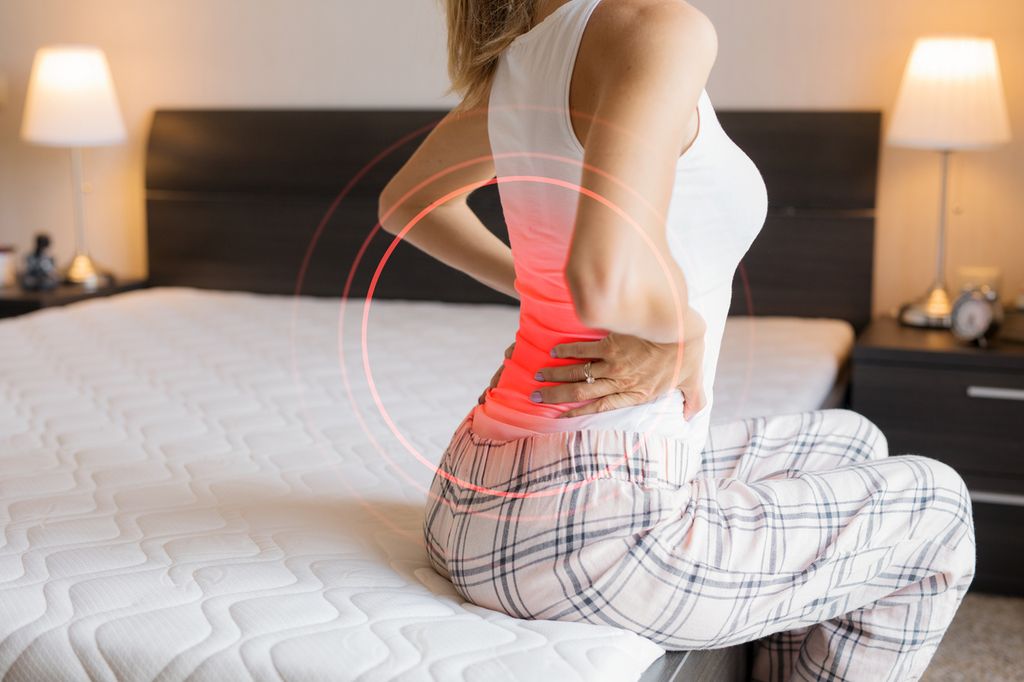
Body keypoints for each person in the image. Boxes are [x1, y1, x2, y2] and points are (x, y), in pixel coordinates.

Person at [378, 1, 975, 679]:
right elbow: (604, 273)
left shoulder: (523, 54)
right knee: (940, 508)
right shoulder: (655, 30)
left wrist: (543, 290)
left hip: (473, 494)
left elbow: (403, 202)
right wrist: (680, 326)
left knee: (851, 445)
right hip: (580, 523)